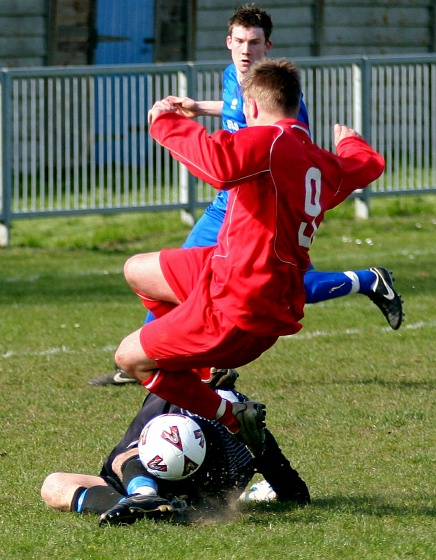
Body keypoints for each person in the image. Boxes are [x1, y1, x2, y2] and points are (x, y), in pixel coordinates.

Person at [89, 3, 402, 387]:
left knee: (263, 283)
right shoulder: (231, 79)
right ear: (228, 42)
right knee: (168, 274)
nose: (245, 50)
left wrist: (168, 126)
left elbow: (278, 155)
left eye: (254, 42)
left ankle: (363, 281)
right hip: (230, 204)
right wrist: (200, 108)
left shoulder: (283, 111)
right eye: (239, 41)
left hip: (257, 207)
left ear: (267, 46)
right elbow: (242, 115)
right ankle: (161, 358)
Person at [110, 59, 385, 454]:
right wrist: (349, 143)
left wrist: (164, 122)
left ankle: (231, 415)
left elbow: (218, 165)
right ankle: (195, 364)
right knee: (138, 269)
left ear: (251, 107)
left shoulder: (268, 141)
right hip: (242, 281)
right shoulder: (320, 162)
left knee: (129, 359)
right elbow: (368, 164)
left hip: (238, 306)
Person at [41, 371, 310, 526]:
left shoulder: (172, 397)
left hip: (166, 483)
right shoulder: (246, 417)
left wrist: (144, 490)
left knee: (54, 485)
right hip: (206, 495)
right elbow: (296, 493)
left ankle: (143, 499)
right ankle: (152, 503)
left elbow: (126, 458)